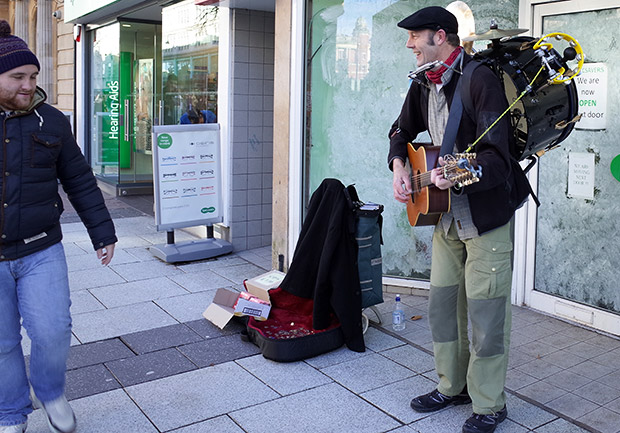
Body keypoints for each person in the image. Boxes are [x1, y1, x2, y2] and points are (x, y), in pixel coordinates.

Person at [388, 7, 530, 433]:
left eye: (415, 36)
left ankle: (489, 404)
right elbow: (400, 130)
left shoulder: (480, 80)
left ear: (441, 35)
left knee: (486, 319)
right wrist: (399, 164)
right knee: (443, 308)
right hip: (445, 220)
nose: (410, 44)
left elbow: (498, 162)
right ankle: (452, 387)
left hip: (484, 220)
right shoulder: (423, 83)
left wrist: (452, 177)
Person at [0, 21, 117, 433]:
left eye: (32, 76)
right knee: (2, 344)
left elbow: (79, 178)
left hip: (40, 248)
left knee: (53, 330)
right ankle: (11, 413)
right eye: (17, 77)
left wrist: (102, 231)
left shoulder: (51, 121)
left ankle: (50, 390)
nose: (29, 85)